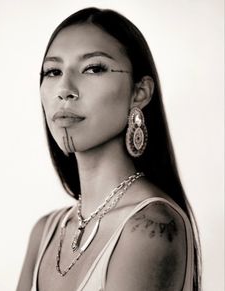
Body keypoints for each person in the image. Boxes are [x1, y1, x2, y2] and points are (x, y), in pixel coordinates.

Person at [16, 7, 201, 291]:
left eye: (94, 68)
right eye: (53, 71)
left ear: (140, 92)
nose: (64, 89)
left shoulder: (149, 227)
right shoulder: (45, 232)